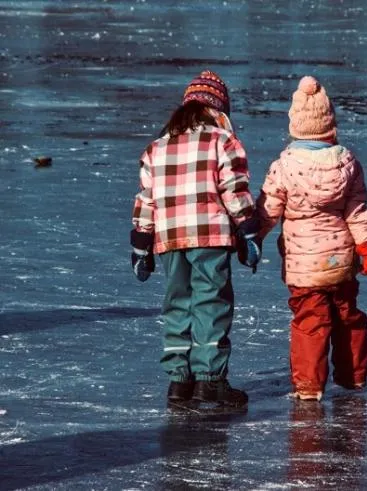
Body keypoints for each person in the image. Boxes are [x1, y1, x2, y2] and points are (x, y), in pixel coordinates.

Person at [130, 70, 261, 409]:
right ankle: (209, 381)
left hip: (170, 238)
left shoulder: (157, 147)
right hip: (210, 235)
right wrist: (249, 230)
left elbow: (147, 198)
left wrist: (141, 243)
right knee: (211, 303)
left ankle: (179, 381)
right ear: (218, 109)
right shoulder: (223, 141)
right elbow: (234, 192)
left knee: (177, 303)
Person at [255, 75, 367, 401]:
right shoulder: (346, 162)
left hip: (303, 265)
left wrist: (252, 237)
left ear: (295, 126)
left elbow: (269, 210)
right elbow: (357, 211)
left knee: (311, 321)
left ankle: (310, 387)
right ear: (330, 125)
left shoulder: (284, 165)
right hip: (340, 260)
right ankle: (353, 377)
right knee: (346, 314)